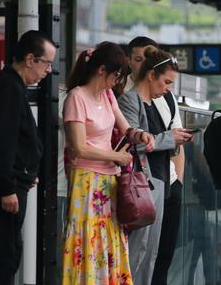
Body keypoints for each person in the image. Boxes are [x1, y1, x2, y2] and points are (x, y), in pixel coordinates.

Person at [61, 42, 155, 285]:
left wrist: (140, 135)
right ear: (101, 70)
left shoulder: (108, 95)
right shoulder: (76, 98)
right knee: (89, 238)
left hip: (109, 181)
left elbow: (125, 129)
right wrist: (116, 157)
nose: (117, 81)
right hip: (86, 179)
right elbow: (79, 147)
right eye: (116, 75)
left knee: (109, 239)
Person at [0, 30, 55, 285]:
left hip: (12, 182)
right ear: (30, 59)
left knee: (9, 253)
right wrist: (7, 187)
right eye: (47, 63)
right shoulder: (8, 87)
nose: (49, 70)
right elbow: (2, 142)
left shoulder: (10, 84)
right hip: (1, 189)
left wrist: (28, 171)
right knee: (4, 257)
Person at [118, 44, 192, 285]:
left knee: (152, 252)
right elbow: (134, 140)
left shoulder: (161, 103)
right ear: (151, 75)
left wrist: (175, 141)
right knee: (137, 250)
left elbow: (156, 141)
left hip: (159, 181)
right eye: (166, 82)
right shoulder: (130, 100)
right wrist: (170, 138)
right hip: (140, 184)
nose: (168, 89)